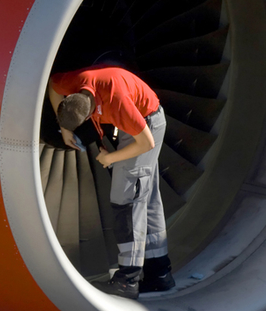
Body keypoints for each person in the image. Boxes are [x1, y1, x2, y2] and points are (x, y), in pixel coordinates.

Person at [48, 65, 174, 299]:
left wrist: (110, 158)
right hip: (135, 123)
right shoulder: (75, 80)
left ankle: (128, 280)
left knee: (127, 199)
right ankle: (159, 274)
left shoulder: (117, 104)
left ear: (92, 112)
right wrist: (64, 127)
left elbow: (146, 143)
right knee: (147, 198)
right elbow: (53, 86)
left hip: (147, 126)